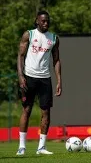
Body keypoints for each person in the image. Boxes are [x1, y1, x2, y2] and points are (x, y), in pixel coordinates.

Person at [16, 10, 62, 155]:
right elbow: (20, 56)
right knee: (27, 110)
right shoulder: (28, 35)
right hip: (29, 77)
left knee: (46, 113)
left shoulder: (54, 38)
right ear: (37, 21)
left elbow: (56, 60)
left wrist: (59, 81)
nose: (46, 23)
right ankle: (21, 147)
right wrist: (20, 76)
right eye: (43, 21)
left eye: (47, 21)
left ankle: (41, 147)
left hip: (45, 79)